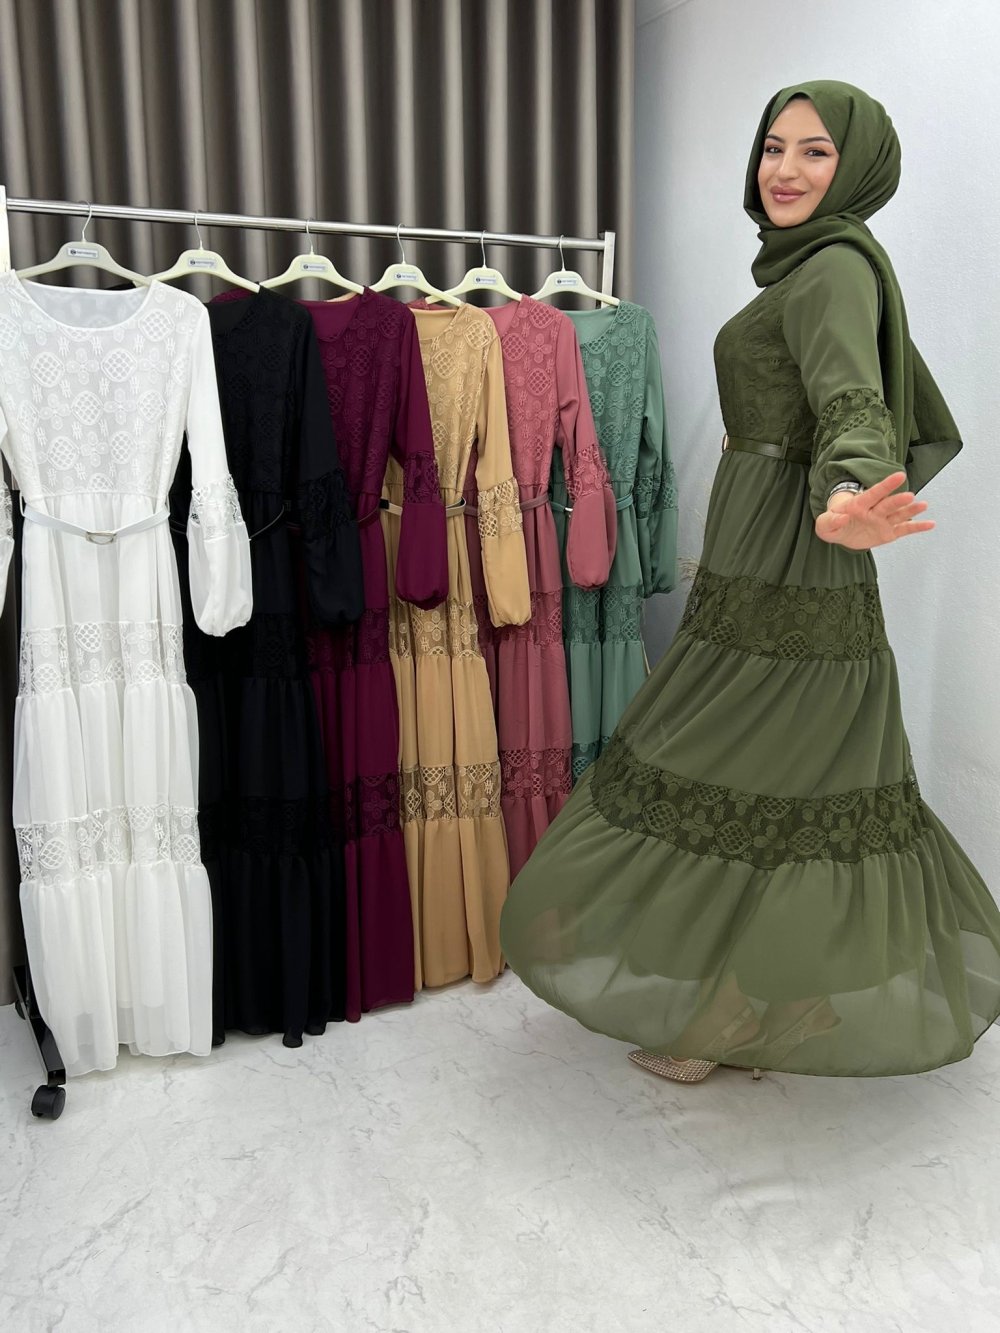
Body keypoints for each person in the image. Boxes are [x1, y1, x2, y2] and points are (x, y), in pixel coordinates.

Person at [499, 81, 1000, 1083]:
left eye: (815, 151)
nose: (784, 169)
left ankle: (736, 1013)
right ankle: (783, 999)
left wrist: (849, 489)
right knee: (787, 777)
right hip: (766, 556)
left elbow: (851, 398)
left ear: (856, 168)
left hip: (789, 560)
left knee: (734, 763)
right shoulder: (808, 266)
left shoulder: (833, 270)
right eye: (774, 146)